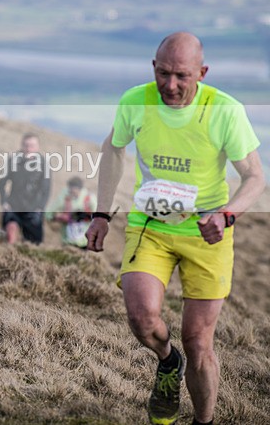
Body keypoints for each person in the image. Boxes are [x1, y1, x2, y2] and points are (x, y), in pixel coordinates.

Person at [85, 32, 265, 425]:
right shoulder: (136, 101)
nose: (170, 85)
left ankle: (204, 420)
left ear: (201, 72)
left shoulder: (225, 111)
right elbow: (113, 149)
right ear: (153, 67)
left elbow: (254, 177)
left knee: (199, 342)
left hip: (207, 233)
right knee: (141, 317)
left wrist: (226, 215)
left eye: (182, 76)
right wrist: (101, 214)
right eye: (163, 73)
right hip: (150, 225)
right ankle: (168, 363)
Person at [0, 133, 51, 244]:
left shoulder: (43, 164)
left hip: (33, 209)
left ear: (37, 147)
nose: (28, 148)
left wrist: (40, 207)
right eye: (26, 145)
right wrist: (4, 202)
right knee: (8, 237)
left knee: (34, 244)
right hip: (14, 206)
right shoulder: (13, 160)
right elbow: (1, 182)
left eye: (32, 145)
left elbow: (46, 189)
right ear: (22, 145)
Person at [46, 176, 96, 247]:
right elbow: (48, 214)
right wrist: (59, 217)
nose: (73, 193)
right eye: (71, 191)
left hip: (84, 242)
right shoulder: (64, 196)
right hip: (67, 242)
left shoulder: (90, 198)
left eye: (75, 191)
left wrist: (85, 216)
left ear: (80, 189)